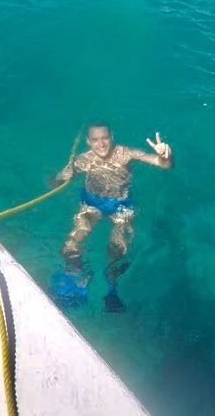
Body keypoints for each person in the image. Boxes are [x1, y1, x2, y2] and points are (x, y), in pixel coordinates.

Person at [50, 122, 172, 313]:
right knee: (70, 245)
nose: (101, 144)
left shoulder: (126, 153)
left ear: (112, 137)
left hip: (121, 206)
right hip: (91, 204)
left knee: (118, 249)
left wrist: (164, 156)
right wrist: (60, 177)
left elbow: (162, 164)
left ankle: (112, 290)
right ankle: (77, 277)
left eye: (105, 138)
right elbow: (55, 182)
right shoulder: (83, 160)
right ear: (88, 142)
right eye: (95, 140)